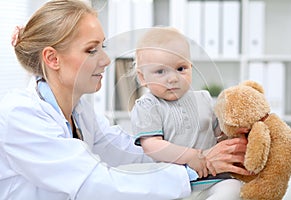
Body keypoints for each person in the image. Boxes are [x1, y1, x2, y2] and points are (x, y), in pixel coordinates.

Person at [0, 0, 248, 199]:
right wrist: (195, 168)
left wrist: (204, 152)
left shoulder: (78, 110)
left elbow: (127, 148)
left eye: (103, 46)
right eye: (91, 50)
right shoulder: (19, 115)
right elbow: (94, 183)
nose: (106, 60)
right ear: (53, 59)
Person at [131, 27, 249, 199]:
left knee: (234, 188)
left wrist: (233, 135)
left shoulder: (204, 98)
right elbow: (152, 146)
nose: (172, 78)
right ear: (142, 77)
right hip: (171, 184)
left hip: (214, 179)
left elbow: (219, 134)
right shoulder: (147, 106)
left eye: (181, 68)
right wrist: (191, 156)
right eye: (160, 71)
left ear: (191, 67)